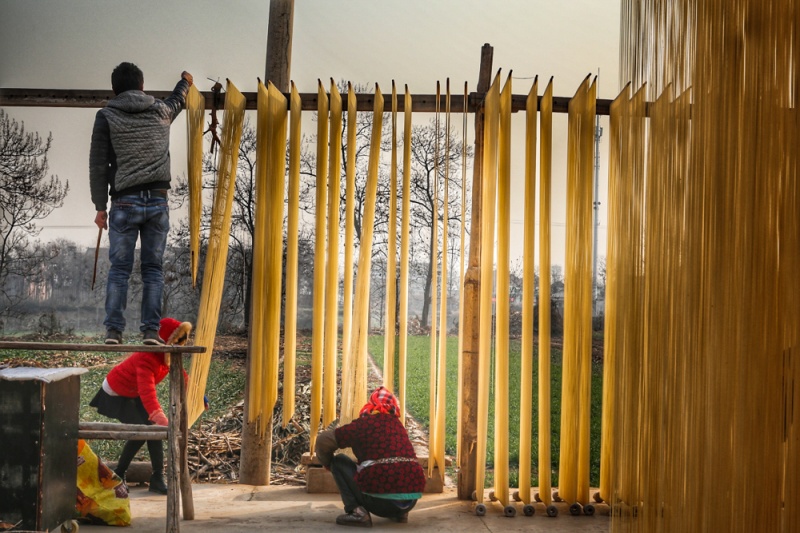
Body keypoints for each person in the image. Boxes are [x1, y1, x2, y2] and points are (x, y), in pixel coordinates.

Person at [89, 61, 193, 345]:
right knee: (153, 270)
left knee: (120, 270)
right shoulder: (161, 110)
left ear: (115, 89)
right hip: (157, 202)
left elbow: (98, 165)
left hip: (124, 203)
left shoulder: (106, 115)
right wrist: (185, 80)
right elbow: (178, 100)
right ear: (142, 85)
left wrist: (100, 206)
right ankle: (150, 332)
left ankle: (113, 332)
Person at [89, 317, 194, 495]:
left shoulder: (166, 355)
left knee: (152, 432)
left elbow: (182, 375)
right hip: (115, 394)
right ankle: (119, 474)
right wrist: (158, 415)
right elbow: (147, 392)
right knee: (142, 431)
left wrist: (200, 396)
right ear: (165, 340)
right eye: (177, 340)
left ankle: (157, 478)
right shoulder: (147, 358)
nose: (181, 344)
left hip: (132, 392)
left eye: (183, 340)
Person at [315, 386, 426, 527]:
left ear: (371, 405)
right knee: (398, 466)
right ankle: (400, 514)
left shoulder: (362, 425)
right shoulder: (398, 426)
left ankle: (357, 513)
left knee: (339, 461)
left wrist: (327, 463)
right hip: (409, 503)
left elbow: (323, 441)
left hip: (379, 504)